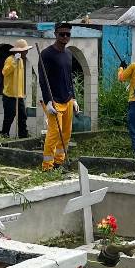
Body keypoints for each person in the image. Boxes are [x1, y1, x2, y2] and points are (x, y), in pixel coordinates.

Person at [38, 23, 79, 171]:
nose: (65, 37)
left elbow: (69, 78)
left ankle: (59, 162)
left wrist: (73, 98)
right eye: (62, 34)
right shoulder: (46, 54)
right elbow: (43, 80)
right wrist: (48, 101)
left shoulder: (68, 54)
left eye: (68, 34)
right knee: (55, 133)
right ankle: (47, 166)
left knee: (66, 133)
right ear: (55, 34)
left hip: (67, 99)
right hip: (53, 100)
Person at [0, 38, 30, 138]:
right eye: (25, 50)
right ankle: (4, 134)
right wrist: (14, 63)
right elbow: (5, 72)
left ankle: (23, 135)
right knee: (9, 116)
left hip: (19, 94)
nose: (26, 52)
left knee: (22, 116)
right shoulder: (10, 59)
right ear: (19, 51)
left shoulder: (21, 60)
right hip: (9, 94)